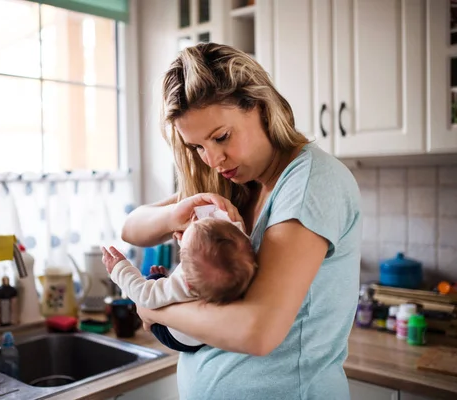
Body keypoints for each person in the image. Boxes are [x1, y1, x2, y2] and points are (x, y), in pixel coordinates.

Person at [121, 43, 362, 399]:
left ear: (261, 107)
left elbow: (257, 333)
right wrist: (176, 213)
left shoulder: (309, 183)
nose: (213, 159)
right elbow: (131, 227)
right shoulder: (236, 184)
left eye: (221, 137)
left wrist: (154, 307)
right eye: (197, 147)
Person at [101, 204, 257, 353]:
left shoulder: (182, 283)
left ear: (187, 283)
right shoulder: (237, 264)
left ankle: (158, 279)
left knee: (154, 287)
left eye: (182, 248)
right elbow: (230, 238)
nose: (178, 236)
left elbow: (143, 294)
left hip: (175, 335)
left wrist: (119, 268)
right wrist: (199, 230)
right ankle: (161, 277)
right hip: (203, 329)